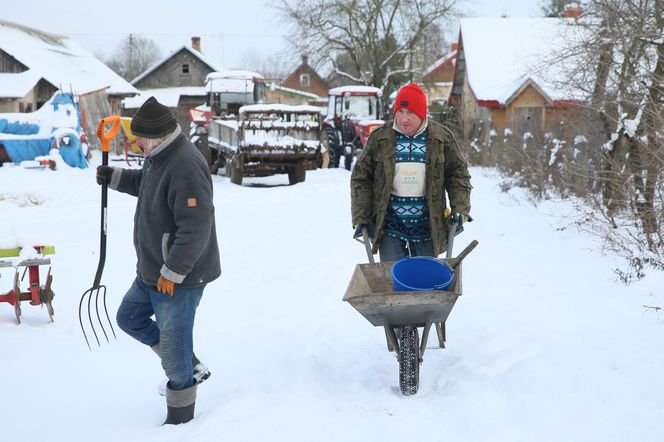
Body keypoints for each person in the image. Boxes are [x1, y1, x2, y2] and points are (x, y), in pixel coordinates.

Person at [96, 97, 221, 425]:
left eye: (140, 138)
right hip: (152, 270)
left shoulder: (185, 165)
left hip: (179, 277)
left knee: (173, 361)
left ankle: (180, 419)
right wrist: (115, 177)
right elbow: (146, 183)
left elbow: (196, 225)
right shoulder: (159, 155)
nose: (136, 143)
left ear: (158, 136)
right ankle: (186, 360)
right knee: (129, 317)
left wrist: (174, 271)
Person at [351, 83, 472, 261]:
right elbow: (361, 177)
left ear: (422, 114)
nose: (404, 119)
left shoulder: (441, 138)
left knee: (425, 282)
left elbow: (457, 173)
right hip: (390, 225)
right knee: (393, 278)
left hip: (428, 225)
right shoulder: (380, 138)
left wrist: (460, 207)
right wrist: (361, 215)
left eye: (410, 113)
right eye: (400, 112)